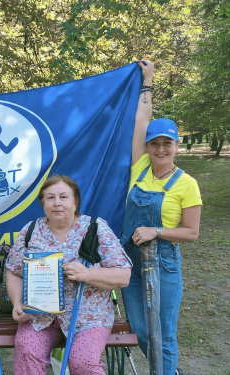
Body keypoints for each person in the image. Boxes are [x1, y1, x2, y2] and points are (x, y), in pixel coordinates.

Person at [121, 61, 202, 375]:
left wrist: (156, 230)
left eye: (167, 142)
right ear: (147, 147)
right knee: (142, 331)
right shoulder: (139, 167)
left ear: (176, 145)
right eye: (154, 142)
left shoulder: (186, 184)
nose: (160, 148)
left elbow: (191, 233)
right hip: (131, 264)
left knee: (163, 336)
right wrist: (148, 80)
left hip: (164, 264)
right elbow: (142, 118)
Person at [5, 174, 132, 375]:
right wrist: (17, 303)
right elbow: (14, 271)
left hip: (88, 317)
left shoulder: (95, 228)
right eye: (50, 198)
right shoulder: (30, 231)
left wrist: (88, 274)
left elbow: (123, 276)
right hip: (40, 315)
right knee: (27, 349)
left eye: (63, 197)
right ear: (42, 203)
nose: (57, 203)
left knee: (82, 362)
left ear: (76, 202)